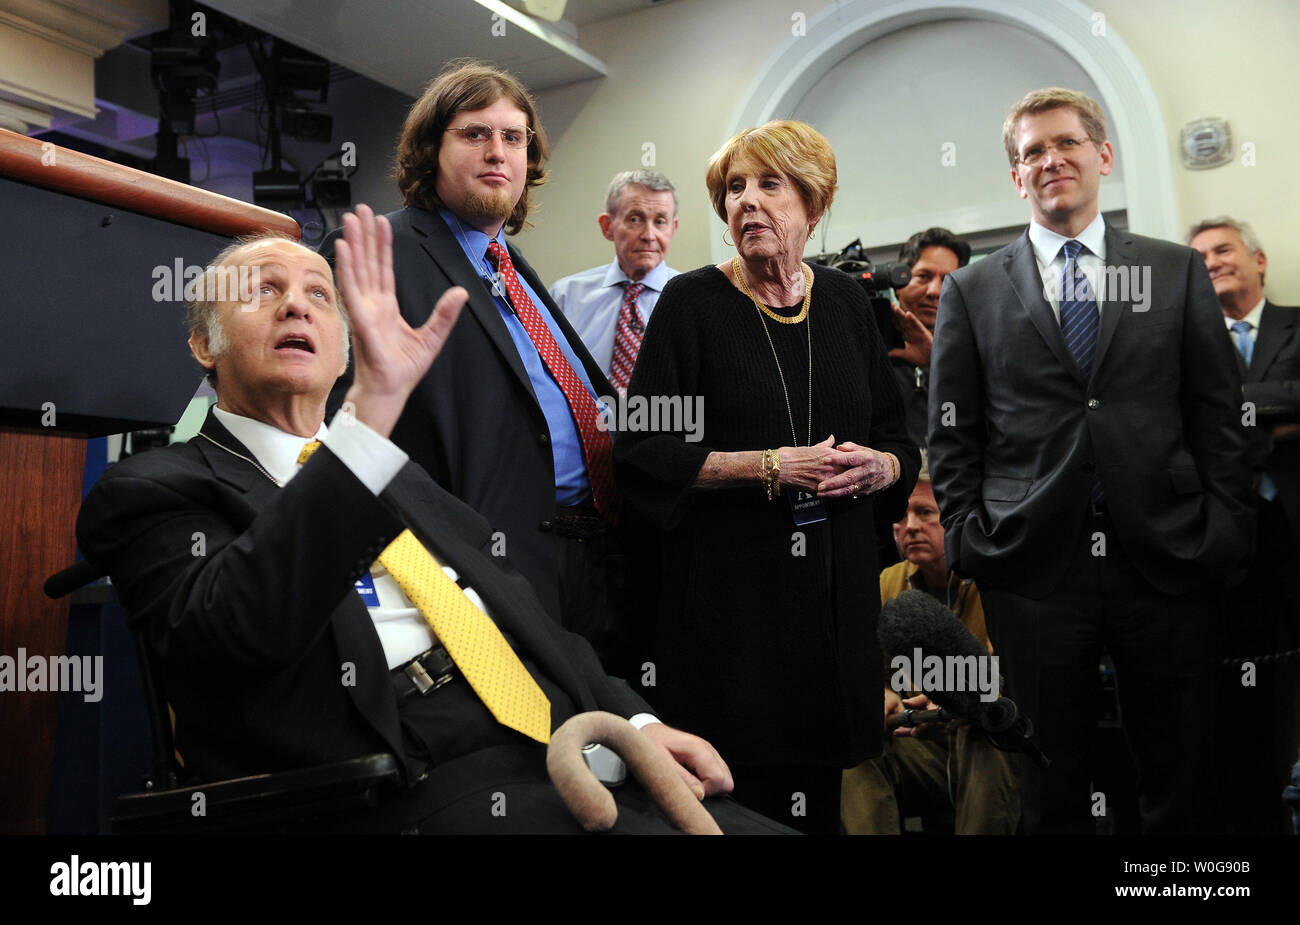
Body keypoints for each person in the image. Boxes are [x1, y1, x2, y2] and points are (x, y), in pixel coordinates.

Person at [75, 215, 793, 834]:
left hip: (561, 735)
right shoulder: (151, 489)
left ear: (346, 348)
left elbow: (530, 621)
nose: (297, 306)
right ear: (205, 346)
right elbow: (236, 632)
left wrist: (640, 725)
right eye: (264, 292)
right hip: (406, 771)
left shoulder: (401, 476)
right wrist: (364, 425)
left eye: (320, 295)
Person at [927, 87, 1255, 835]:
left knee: (1180, 772)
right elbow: (954, 432)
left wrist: (1224, 528)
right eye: (1032, 152)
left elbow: (1217, 414)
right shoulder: (973, 291)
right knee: (1049, 780)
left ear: (1103, 155)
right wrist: (971, 537)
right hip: (1033, 566)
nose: (1051, 160)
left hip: (1168, 554)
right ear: (1017, 176)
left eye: (1066, 143)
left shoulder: (1173, 271)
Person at [613, 120, 920, 834]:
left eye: (768, 184)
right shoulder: (689, 305)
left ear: (814, 205)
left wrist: (883, 466)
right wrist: (770, 466)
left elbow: (898, 436)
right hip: (730, 609)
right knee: (741, 807)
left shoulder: (845, 303)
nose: (746, 201)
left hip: (835, 603)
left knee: (822, 804)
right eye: (733, 188)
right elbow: (642, 453)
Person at [320, 61, 625, 667]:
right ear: (431, 149)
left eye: (514, 138)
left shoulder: (514, 266)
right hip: (479, 567)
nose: (498, 152)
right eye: (475, 133)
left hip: (592, 559)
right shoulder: (383, 252)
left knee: (607, 746)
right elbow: (334, 421)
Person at [1189, 216, 1300, 833]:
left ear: (1258, 259)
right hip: (1228, 542)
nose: (1212, 262)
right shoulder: (1188, 345)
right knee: (1248, 697)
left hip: (1295, 531)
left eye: (1223, 250)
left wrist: (1234, 418)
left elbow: (1220, 418)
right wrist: (1276, 422)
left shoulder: (1297, 323)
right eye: (1199, 257)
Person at [840, 455, 1019, 835]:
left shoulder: (997, 579)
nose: (910, 528)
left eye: (924, 513)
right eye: (902, 518)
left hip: (991, 751)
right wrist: (884, 695)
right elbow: (871, 671)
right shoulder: (889, 582)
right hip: (924, 749)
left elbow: (1014, 680)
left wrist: (961, 699)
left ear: (955, 515)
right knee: (856, 749)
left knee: (985, 725)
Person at [551, 170, 680, 390]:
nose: (649, 235)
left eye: (660, 221)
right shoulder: (566, 295)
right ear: (607, 226)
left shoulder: (691, 300)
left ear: (673, 228)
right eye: (635, 219)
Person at [886, 228, 971, 449]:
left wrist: (937, 361)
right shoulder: (870, 349)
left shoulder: (977, 352)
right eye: (923, 277)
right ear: (899, 283)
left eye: (948, 280)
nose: (934, 291)